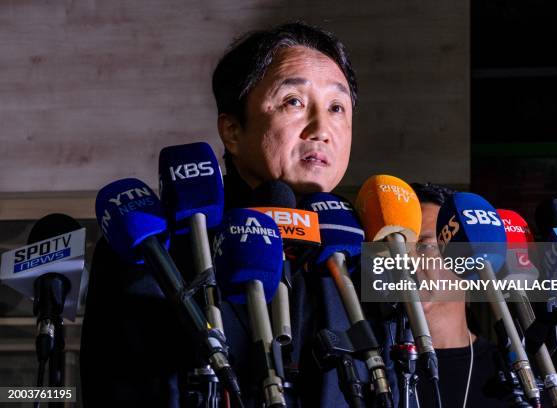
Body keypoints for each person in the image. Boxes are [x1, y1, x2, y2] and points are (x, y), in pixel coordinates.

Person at [81, 22, 361, 407]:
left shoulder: (365, 245)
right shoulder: (152, 246)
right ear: (232, 130)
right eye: (294, 101)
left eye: (337, 108)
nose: (322, 129)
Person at [408, 182, 511, 408]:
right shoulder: (372, 371)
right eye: (396, 247)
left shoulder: (509, 379)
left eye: (425, 247)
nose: (408, 261)